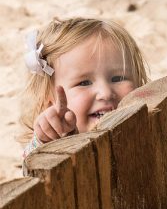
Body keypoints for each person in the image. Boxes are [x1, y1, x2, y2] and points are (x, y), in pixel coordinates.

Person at [19, 17, 148, 157]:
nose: (105, 93)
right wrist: (46, 140)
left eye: (118, 78)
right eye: (84, 83)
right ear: (50, 103)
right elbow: (33, 168)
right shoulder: (56, 143)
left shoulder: (148, 126)